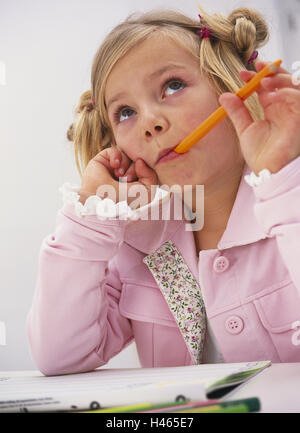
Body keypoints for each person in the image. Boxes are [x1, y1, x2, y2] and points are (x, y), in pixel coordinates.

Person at [27, 6, 300, 376]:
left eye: (172, 86)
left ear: (229, 86)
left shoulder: (289, 199)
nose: (151, 123)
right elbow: (61, 358)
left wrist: (283, 180)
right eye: (125, 112)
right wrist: (92, 215)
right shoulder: (138, 240)